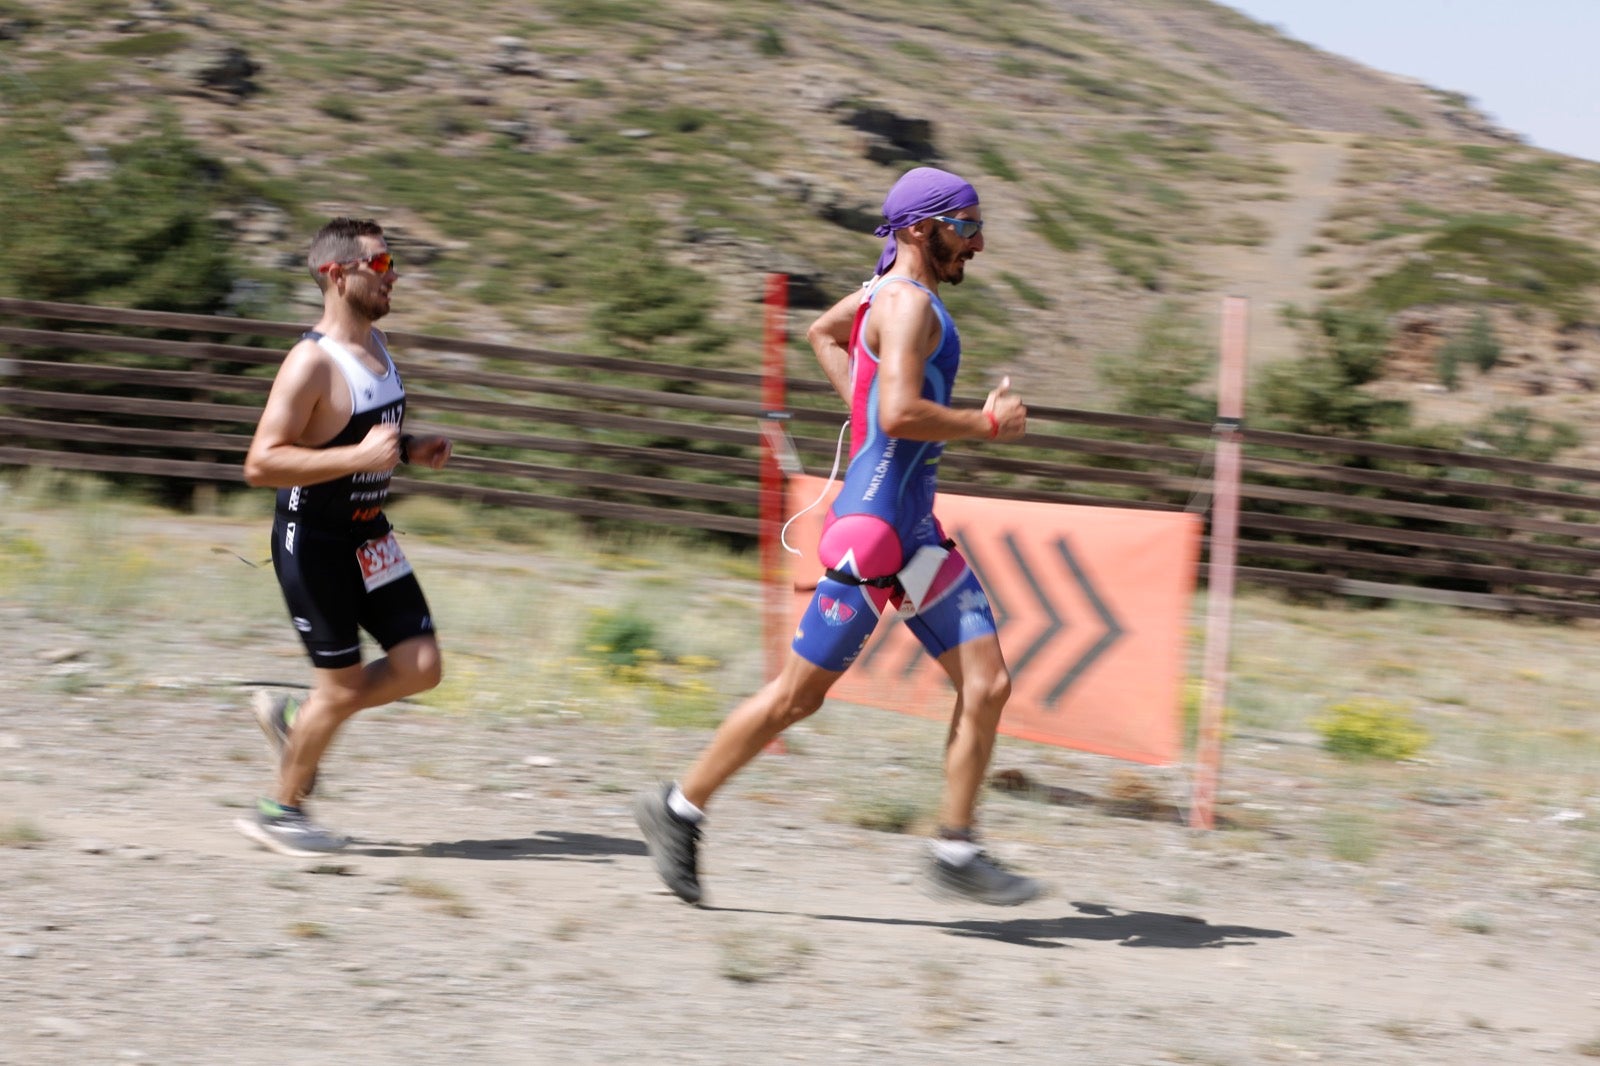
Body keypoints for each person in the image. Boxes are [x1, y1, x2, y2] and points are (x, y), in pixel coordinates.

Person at [634, 167, 1044, 906]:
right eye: (967, 226)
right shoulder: (907, 304)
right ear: (923, 228)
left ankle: (954, 848)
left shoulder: (882, 294)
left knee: (987, 684)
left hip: (915, 529)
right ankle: (677, 808)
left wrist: (861, 397)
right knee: (796, 699)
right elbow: (898, 416)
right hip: (874, 538)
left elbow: (821, 333)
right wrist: (986, 425)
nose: (978, 244)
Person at [235, 217, 452, 857]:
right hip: (315, 544)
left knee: (421, 667)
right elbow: (261, 463)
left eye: (392, 264)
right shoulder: (310, 363)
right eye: (379, 265)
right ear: (336, 274)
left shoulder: (379, 348)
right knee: (344, 688)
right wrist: (358, 458)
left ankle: (298, 722)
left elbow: (355, 440)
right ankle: (279, 810)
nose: (393, 276)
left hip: (369, 536)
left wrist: (410, 450)